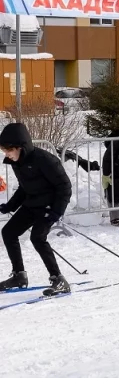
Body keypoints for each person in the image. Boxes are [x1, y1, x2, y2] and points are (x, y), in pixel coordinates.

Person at [0, 123, 73, 295]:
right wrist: (10, 206)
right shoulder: (18, 162)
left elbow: (64, 186)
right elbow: (24, 188)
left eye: (8, 151)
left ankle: (58, 279)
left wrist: (56, 211)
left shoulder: (44, 160)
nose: (7, 156)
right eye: (4, 152)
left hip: (48, 206)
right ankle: (19, 275)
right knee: (9, 232)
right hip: (32, 204)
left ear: (20, 147)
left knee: (37, 238)